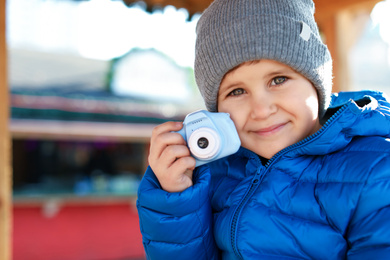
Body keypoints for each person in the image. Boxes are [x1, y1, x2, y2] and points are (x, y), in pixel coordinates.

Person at [137, 0, 390, 259]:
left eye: (278, 80)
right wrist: (177, 199)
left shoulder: (377, 170)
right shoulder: (212, 174)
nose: (260, 109)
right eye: (237, 91)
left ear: (316, 83)